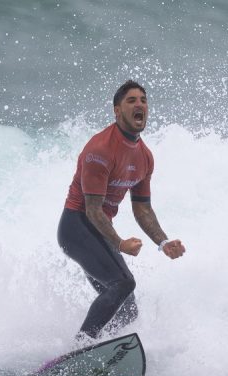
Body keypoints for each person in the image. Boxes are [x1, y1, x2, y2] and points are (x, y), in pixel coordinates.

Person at [58, 80, 185, 343]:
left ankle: (99, 350)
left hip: (99, 232)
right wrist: (119, 243)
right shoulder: (100, 150)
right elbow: (93, 210)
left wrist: (163, 242)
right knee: (122, 284)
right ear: (117, 111)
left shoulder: (145, 156)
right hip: (76, 228)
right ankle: (81, 346)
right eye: (131, 100)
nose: (140, 105)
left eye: (143, 100)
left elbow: (142, 208)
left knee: (128, 309)